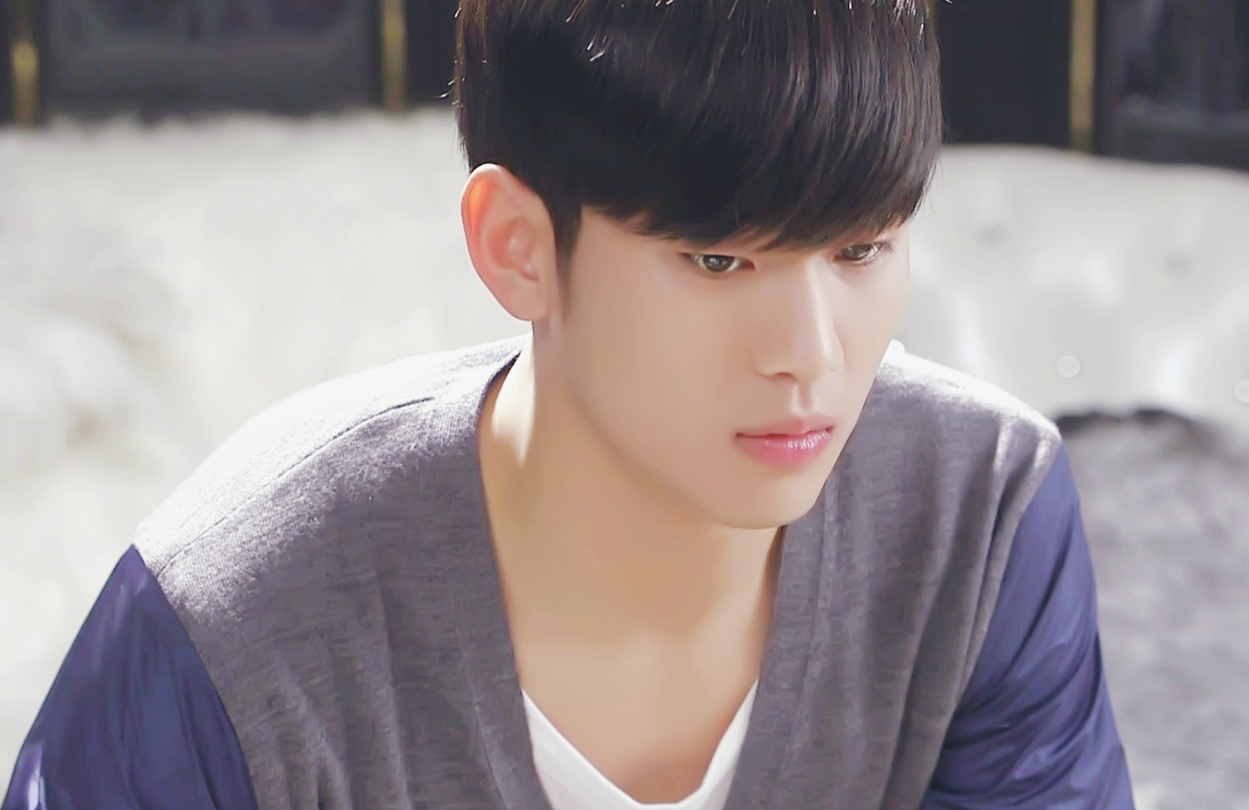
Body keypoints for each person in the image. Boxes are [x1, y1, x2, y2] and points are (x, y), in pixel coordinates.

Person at [2, 0, 1136, 807]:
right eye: (719, 262)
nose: (811, 355)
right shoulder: (232, 619)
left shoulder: (982, 516)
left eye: (861, 249)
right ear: (518, 247)